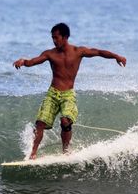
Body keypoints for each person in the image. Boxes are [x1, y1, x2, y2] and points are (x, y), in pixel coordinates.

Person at [13, 23, 126, 159]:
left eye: (56, 38)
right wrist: (23, 61)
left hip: (68, 94)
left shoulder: (78, 52)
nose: (54, 41)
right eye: (52, 38)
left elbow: (99, 52)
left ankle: (66, 152)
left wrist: (116, 56)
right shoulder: (50, 54)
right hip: (52, 93)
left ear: (65, 37)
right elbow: (32, 62)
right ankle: (33, 154)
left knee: (65, 121)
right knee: (40, 123)